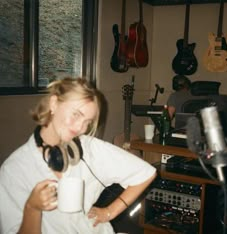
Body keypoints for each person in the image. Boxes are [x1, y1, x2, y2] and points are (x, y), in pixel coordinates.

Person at [0, 77, 157, 234]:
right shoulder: (14, 169)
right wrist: (32, 208)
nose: (80, 127)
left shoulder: (87, 147)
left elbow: (144, 173)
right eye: (76, 114)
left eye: (87, 122)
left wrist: (109, 211)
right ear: (54, 104)